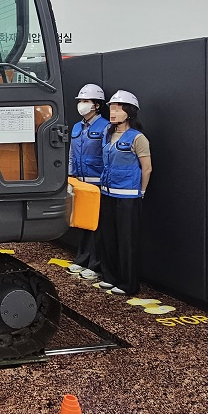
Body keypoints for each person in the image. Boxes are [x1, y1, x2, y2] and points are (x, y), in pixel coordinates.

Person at [94, 90, 152, 296]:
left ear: (129, 112)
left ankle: (128, 283)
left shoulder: (138, 138)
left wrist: (141, 191)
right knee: (108, 237)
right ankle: (109, 277)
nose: (113, 112)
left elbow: (147, 168)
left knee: (127, 241)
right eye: (111, 108)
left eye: (118, 108)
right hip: (108, 194)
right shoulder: (107, 135)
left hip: (128, 196)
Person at [66, 84, 110, 281]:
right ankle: (82, 259)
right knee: (84, 224)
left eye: (86, 101)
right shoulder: (77, 127)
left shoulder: (106, 127)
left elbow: (107, 155)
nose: (82, 105)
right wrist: (70, 175)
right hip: (80, 183)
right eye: (80, 101)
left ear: (97, 105)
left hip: (98, 183)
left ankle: (96, 264)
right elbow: (71, 154)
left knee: (98, 227)